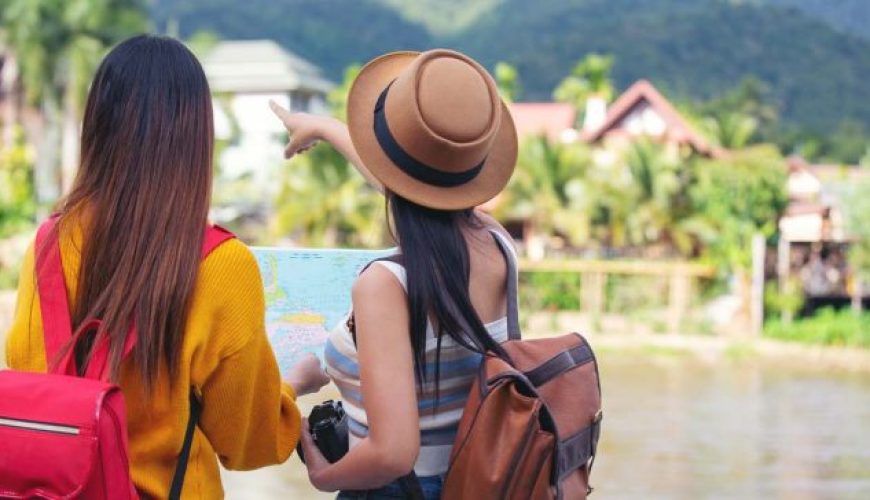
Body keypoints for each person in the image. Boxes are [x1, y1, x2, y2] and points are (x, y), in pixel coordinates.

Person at [4, 35, 328, 498]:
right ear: (196, 139)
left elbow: (31, 378)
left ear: (96, 127)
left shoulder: (48, 245)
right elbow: (248, 444)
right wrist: (293, 387)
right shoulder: (221, 265)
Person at [271, 49, 519, 499]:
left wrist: (324, 476)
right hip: (478, 482)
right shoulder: (498, 244)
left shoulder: (386, 284)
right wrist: (325, 129)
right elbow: (413, 192)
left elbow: (393, 453)